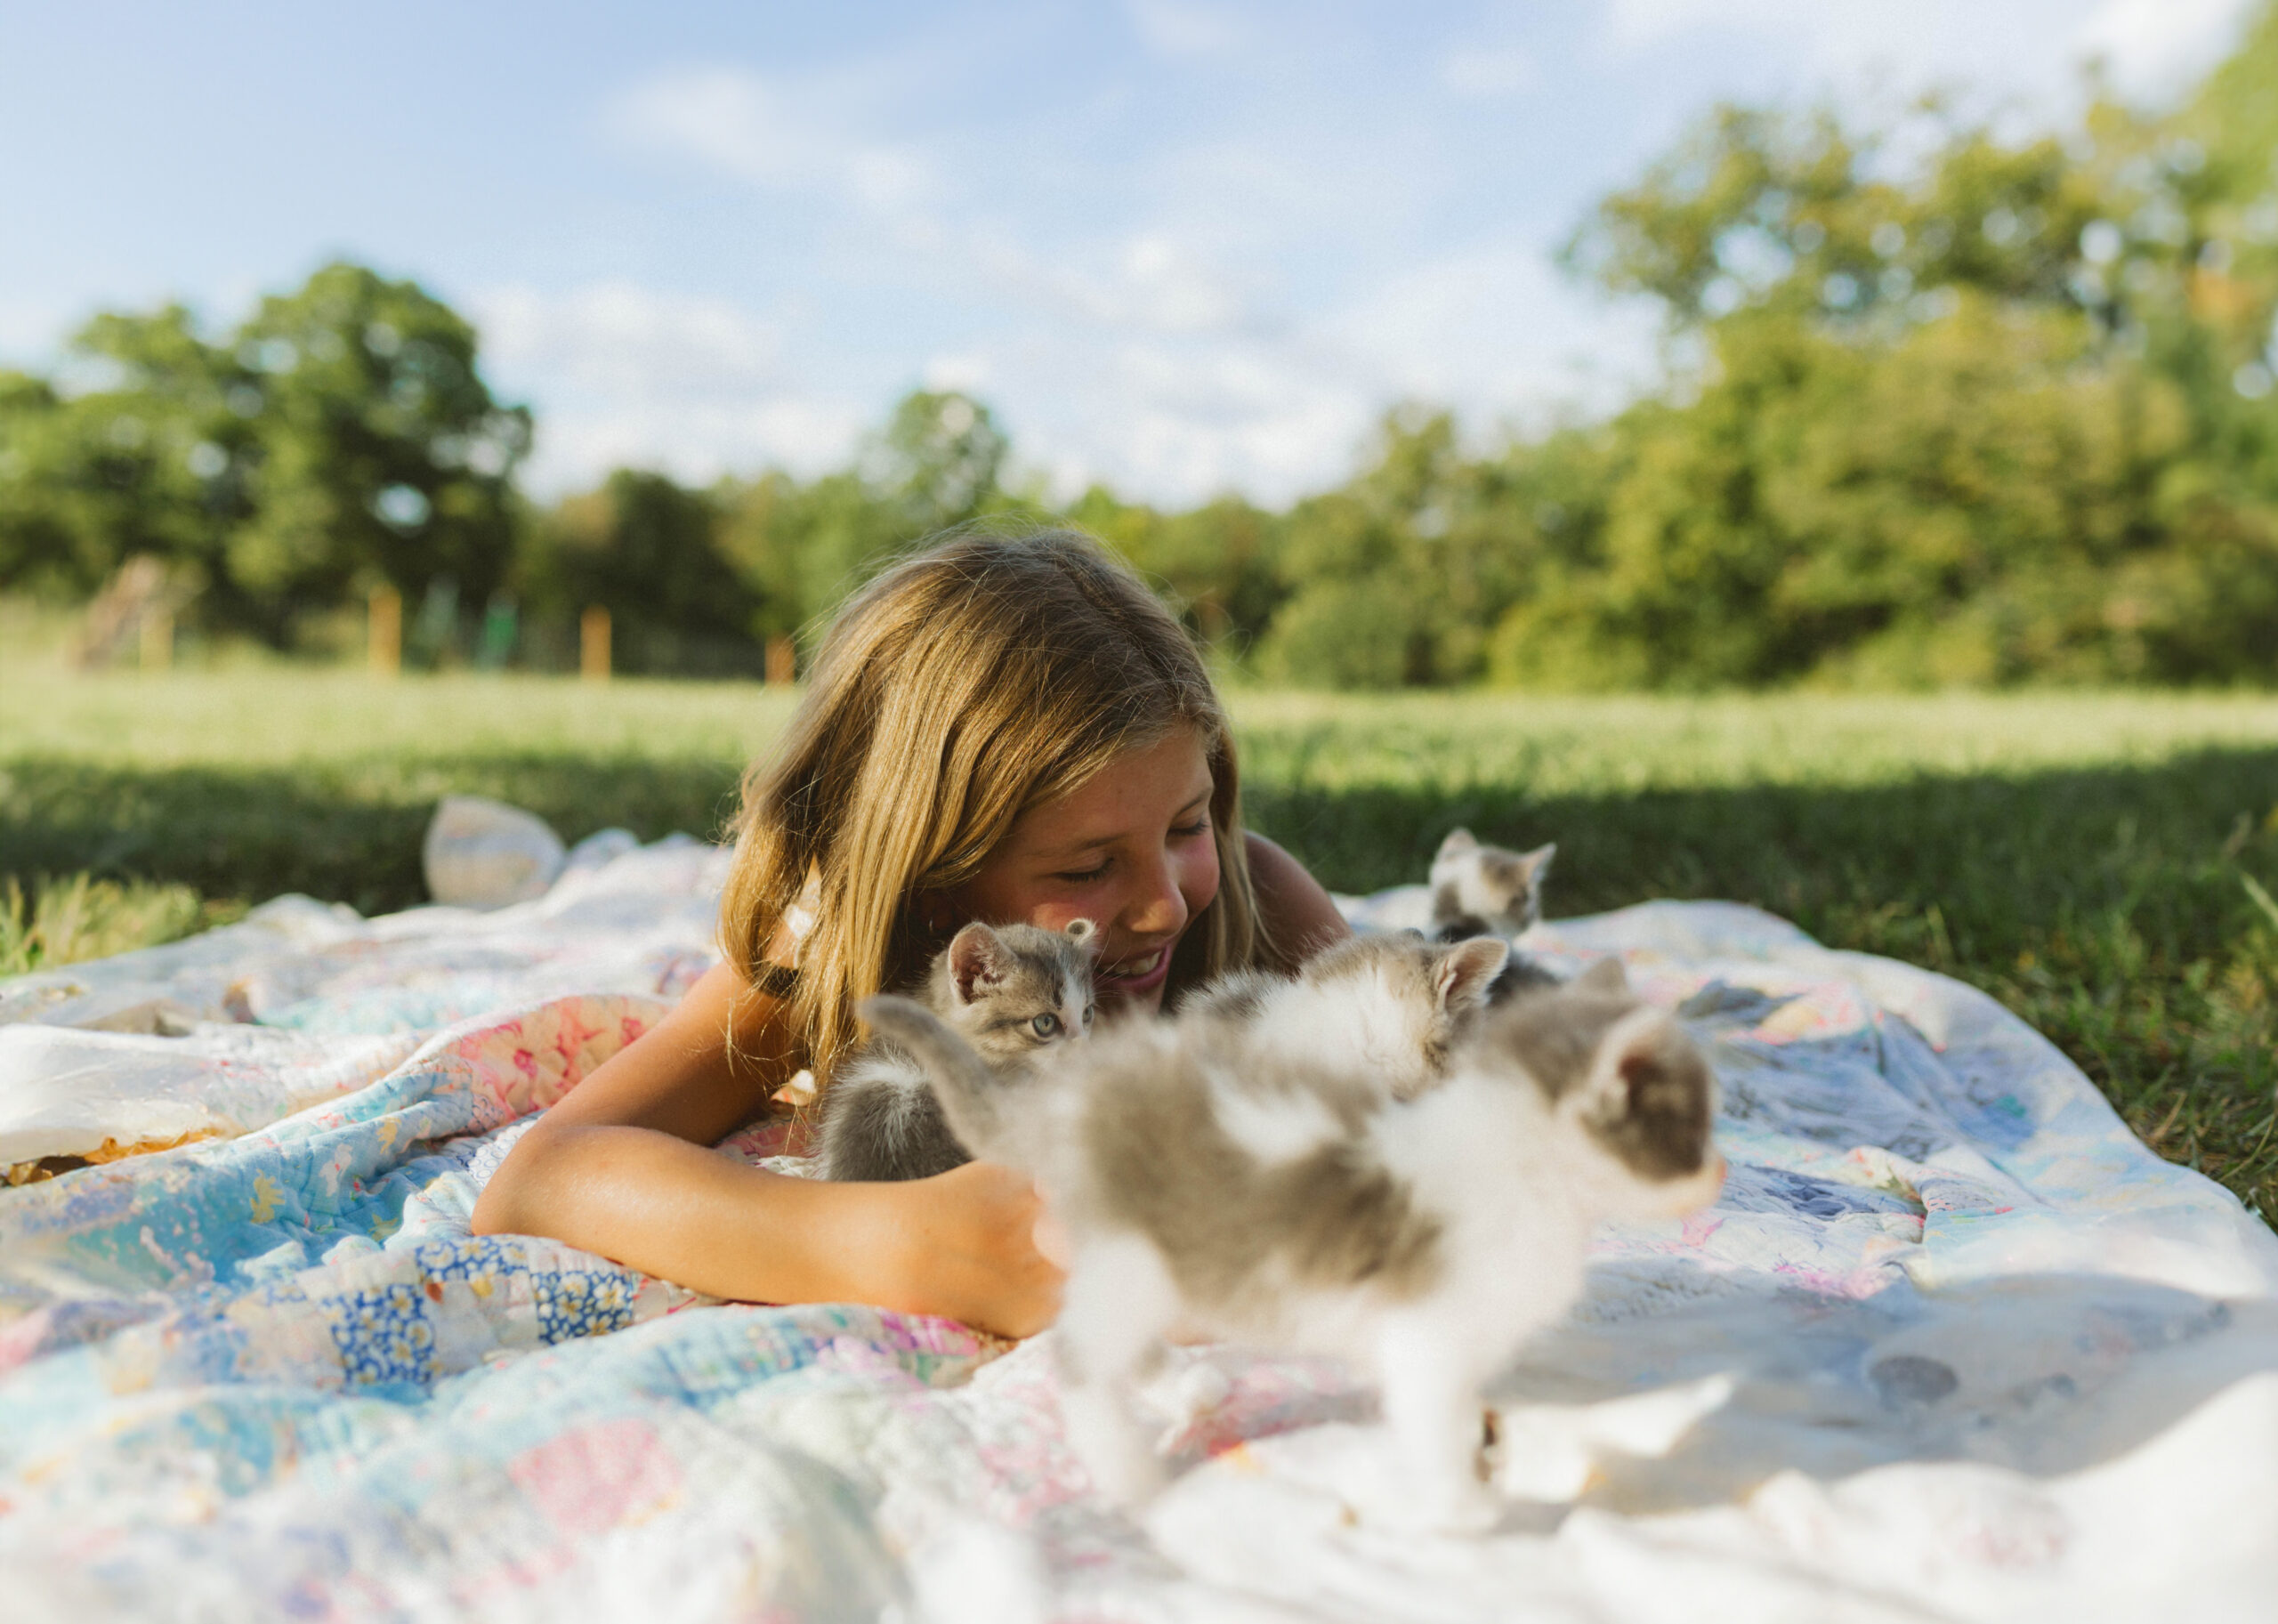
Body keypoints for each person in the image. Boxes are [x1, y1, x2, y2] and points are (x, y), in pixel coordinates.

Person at [471, 527, 1350, 1337]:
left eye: (1186, 825)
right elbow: (540, 1177)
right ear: (932, 884)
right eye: (1085, 869)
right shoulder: (830, 953)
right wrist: (888, 1245)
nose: (1164, 902)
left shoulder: (1253, 899)